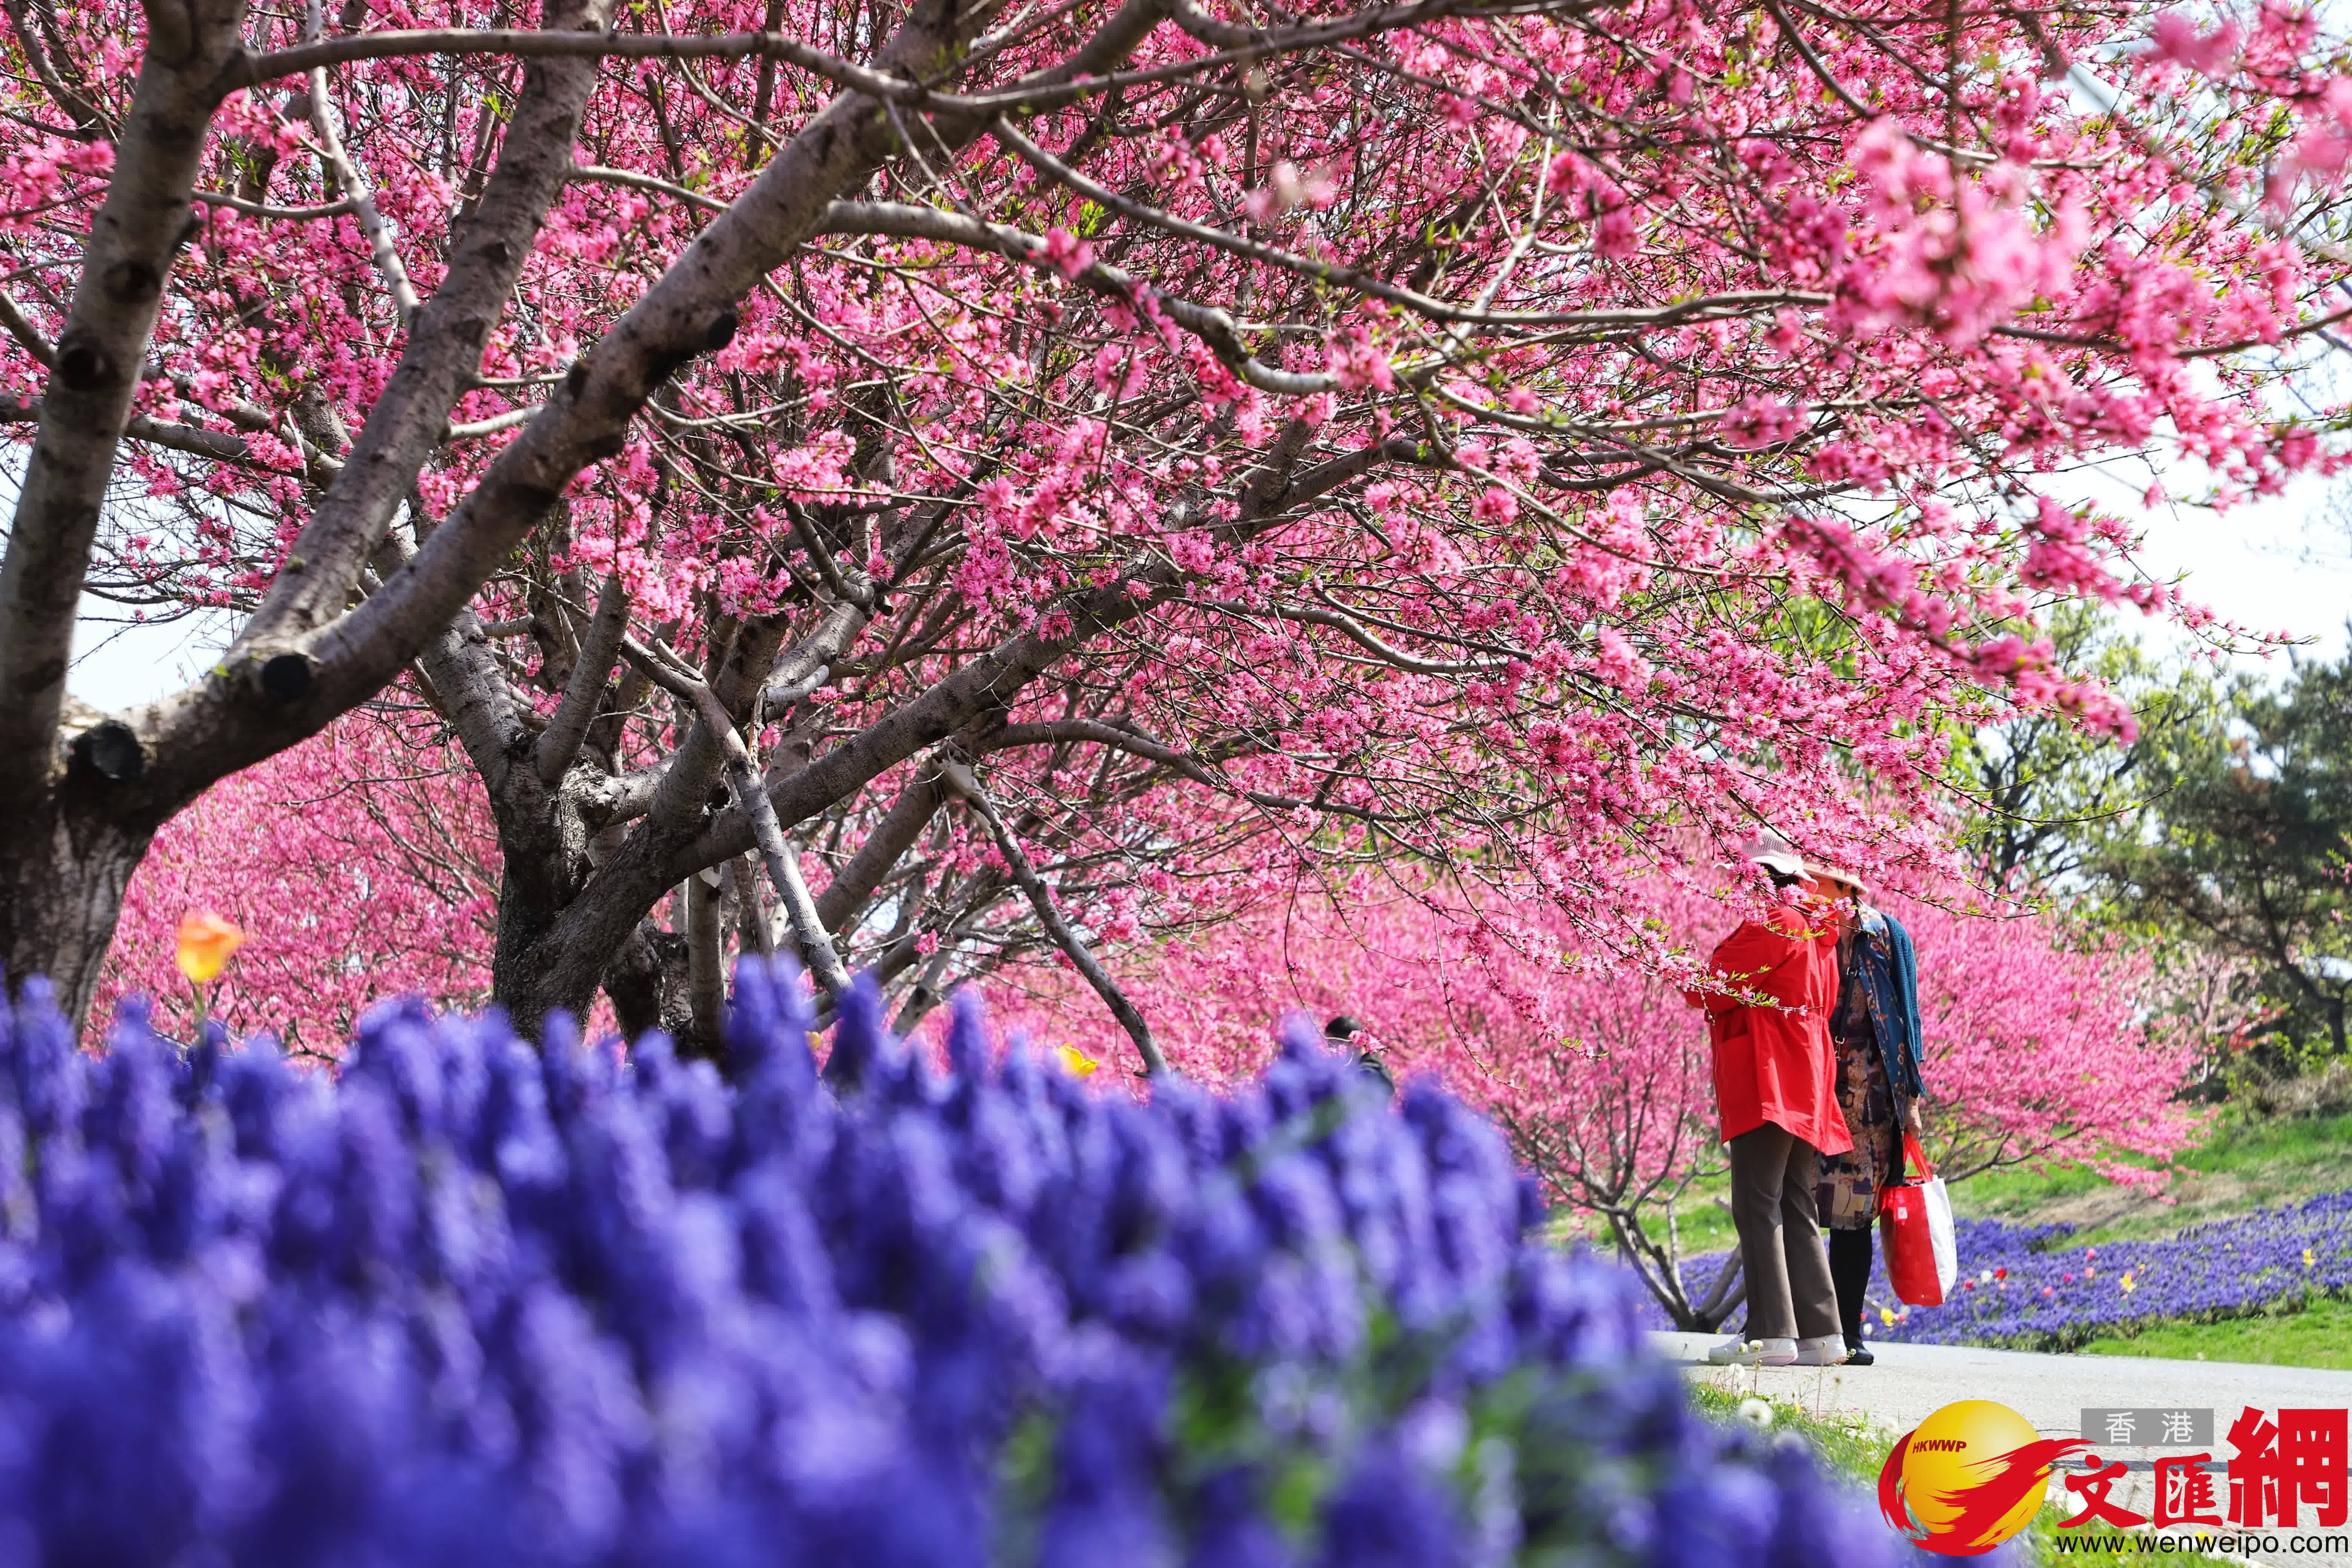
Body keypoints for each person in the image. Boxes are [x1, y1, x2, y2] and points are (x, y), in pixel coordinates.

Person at [1685, 834, 1850, 1368]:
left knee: (1757, 1201)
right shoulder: (1816, 932)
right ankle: (1822, 1336)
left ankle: (1770, 1334)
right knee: (1796, 1201)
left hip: (1770, 1075)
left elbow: (1710, 986)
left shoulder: (1775, 922)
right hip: (1806, 1078)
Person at [1806, 864, 1928, 1367]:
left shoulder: (1888, 936)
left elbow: (1909, 1018)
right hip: (1811, 1096)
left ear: (1848, 888)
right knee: (1803, 1214)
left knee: (1854, 1223)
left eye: (1821, 881)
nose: (1810, 889)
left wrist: (1913, 1103)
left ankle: (1848, 1333)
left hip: (1870, 1106)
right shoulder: (1804, 932)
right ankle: (1799, 1330)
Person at [1325, 1015, 1395, 1093]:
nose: (1331, 1050)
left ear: (1351, 1041)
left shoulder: (1370, 1073)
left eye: (1332, 1044)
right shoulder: (1373, 1066)